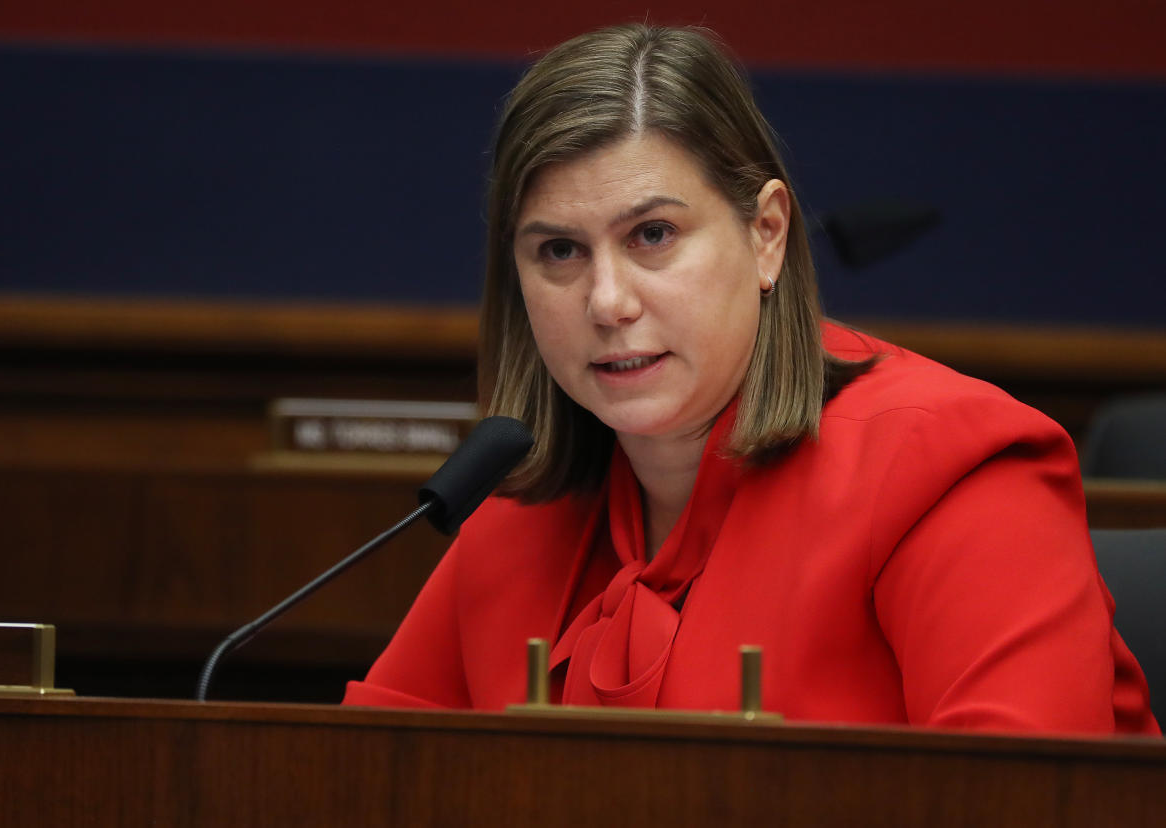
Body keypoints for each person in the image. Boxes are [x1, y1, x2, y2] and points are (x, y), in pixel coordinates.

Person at [343, 24, 1158, 733]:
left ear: (766, 234)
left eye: (653, 235)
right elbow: (368, 778)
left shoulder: (949, 474)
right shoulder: (519, 515)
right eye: (559, 251)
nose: (608, 300)